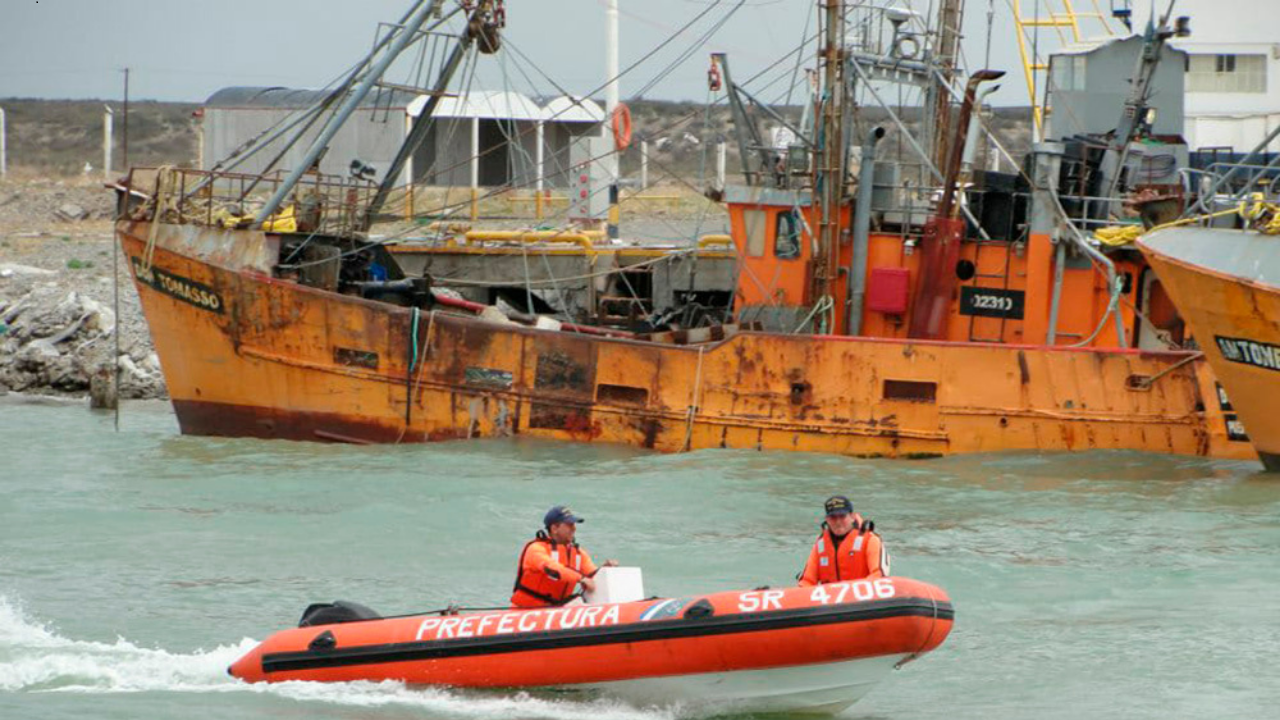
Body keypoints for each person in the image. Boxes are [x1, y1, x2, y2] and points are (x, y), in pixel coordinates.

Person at [510, 506, 617, 608]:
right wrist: (581, 578)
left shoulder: (578, 553)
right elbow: (553, 569)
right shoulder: (535, 549)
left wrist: (604, 570)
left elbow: (592, 577)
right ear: (554, 528)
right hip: (527, 610)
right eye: (569, 525)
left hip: (557, 611)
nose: (574, 529)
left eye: (574, 525)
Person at [797, 495, 888, 586]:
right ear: (827, 520)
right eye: (833, 517)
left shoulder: (870, 540)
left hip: (863, 597)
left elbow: (878, 574)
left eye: (842, 516)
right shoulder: (820, 545)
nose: (838, 522)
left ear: (852, 517)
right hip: (831, 597)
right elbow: (807, 580)